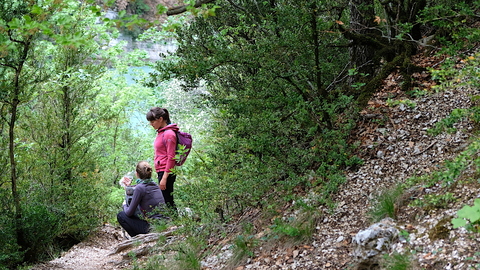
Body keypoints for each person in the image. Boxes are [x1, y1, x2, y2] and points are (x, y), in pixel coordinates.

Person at [117, 161, 167, 237]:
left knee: (121, 215)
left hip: (153, 228)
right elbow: (141, 188)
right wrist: (128, 187)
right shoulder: (155, 185)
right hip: (165, 224)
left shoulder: (140, 188)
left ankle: (138, 240)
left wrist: (124, 205)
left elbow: (129, 212)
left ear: (137, 174)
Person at [146, 107, 178, 213]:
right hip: (162, 170)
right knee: (166, 199)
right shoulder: (161, 132)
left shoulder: (169, 134)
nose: (151, 124)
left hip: (167, 171)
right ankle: (175, 223)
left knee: (168, 199)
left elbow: (171, 157)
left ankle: (176, 223)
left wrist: (164, 177)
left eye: (152, 121)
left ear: (160, 119)